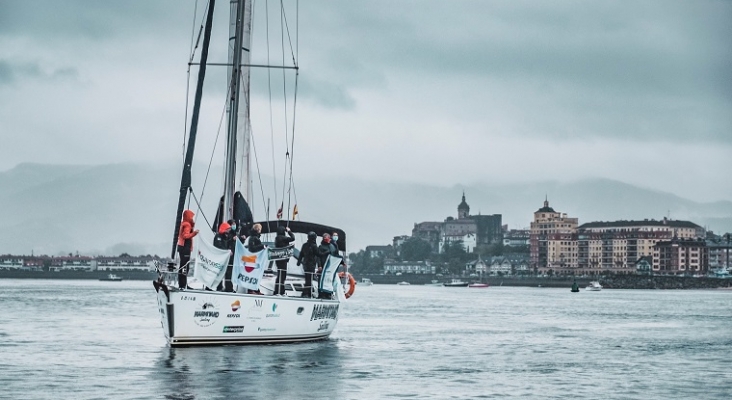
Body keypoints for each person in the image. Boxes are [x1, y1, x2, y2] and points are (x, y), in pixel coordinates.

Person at [176, 209, 199, 289]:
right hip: (185, 247)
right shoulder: (187, 225)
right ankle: (183, 285)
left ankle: (182, 284)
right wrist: (194, 233)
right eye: (191, 217)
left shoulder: (183, 224)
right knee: (185, 267)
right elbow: (185, 236)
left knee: (182, 266)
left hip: (182, 247)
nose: (192, 218)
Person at [213, 221, 235, 292]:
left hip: (226, 258)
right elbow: (218, 246)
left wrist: (233, 240)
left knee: (228, 273)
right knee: (219, 273)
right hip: (219, 258)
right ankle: (218, 287)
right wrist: (227, 251)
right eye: (228, 229)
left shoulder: (226, 236)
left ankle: (229, 288)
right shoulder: (218, 236)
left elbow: (228, 242)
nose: (229, 231)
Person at [273, 226, 295, 296]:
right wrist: (289, 231)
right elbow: (293, 238)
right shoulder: (282, 238)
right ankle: (279, 291)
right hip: (283, 259)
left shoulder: (277, 238)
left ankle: (279, 290)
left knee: (280, 275)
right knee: (282, 275)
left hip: (278, 259)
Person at [297, 231, 319, 298]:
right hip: (311, 265)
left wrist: (299, 261)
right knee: (309, 279)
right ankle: (307, 293)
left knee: (307, 279)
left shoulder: (305, 245)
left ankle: (306, 292)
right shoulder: (314, 246)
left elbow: (301, 254)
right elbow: (318, 254)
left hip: (305, 265)